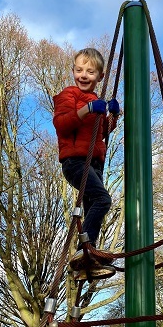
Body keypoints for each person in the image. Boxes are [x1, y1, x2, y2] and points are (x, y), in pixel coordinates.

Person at [53, 48, 120, 280]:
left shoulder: (95, 101)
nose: (83, 75)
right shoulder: (68, 95)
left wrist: (113, 116)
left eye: (90, 72)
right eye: (79, 70)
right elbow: (62, 124)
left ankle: (86, 261)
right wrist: (87, 109)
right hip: (75, 161)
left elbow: (100, 134)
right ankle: (85, 248)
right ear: (73, 71)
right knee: (102, 200)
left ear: (100, 76)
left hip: (95, 162)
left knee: (94, 206)